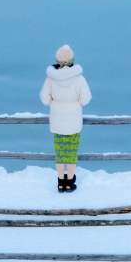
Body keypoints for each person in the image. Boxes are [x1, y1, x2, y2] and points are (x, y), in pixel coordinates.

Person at [40, 45, 91, 192]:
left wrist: (55, 103)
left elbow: (45, 99)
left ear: (57, 59)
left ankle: (61, 181)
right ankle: (70, 181)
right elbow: (85, 99)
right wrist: (76, 103)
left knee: (60, 151)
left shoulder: (50, 79)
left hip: (57, 119)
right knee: (72, 151)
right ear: (72, 60)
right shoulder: (79, 79)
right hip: (73, 119)